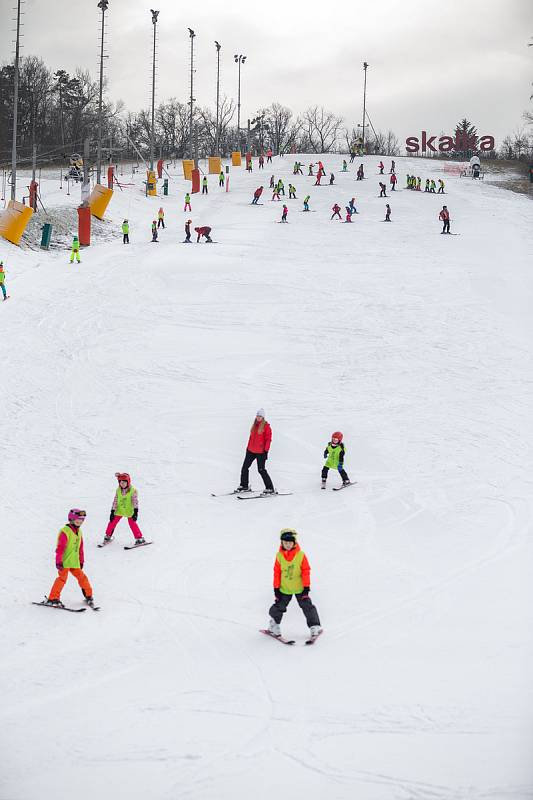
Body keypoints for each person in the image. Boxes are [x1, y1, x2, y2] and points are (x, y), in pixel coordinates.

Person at [267, 528, 322, 639]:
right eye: (285, 542)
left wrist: (306, 587)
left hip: (300, 588)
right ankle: (274, 626)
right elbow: (276, 572)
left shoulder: (301, 555)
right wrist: (276, 588)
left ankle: (314, 626)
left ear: (294, 542)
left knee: (307, 607)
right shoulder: (279, 556)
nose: (287, 544)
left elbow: (306, 571)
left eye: (290, 542)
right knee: (278, 607)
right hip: (284, 588)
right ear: (281, 542)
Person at [45, 509, 95, 607]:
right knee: (62, 579)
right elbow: (60, 548)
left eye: (81, 521)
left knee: (82, 578)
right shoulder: (65, 531)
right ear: (71, 519)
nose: (80, 523)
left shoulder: (79, 531)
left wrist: (81, 560)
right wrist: (58, 561)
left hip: (74, 562)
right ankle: (53, 598)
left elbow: (81, 547)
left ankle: (88, 595)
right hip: (64, 562)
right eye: (77, 521)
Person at [236, 409, 274, 494]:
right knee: (244, 468)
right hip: (250, 451)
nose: (258, 417)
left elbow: (268, 440)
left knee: (261, 470)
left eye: (260, 416)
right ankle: (244, 486)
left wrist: (266, 451)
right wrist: (248, 448)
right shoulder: (254, 425)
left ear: (263, 417)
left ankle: (270, 488)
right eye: (257, 416)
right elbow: (251, 438)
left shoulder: (266, 427)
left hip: (261, 452)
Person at [101, 473, 146, 546]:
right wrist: (112, 511)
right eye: (121, 482)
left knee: (132, 524)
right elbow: (115, 500)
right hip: (119, 510)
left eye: (124, 482)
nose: (122, 484)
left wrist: (135, 512)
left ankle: (139, 538)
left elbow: (135, 501)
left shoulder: (133, 490)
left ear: (128, 482)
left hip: (129, 510)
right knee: (112, 522)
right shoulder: (118, 490)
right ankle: (108, 536)